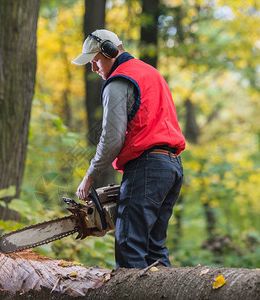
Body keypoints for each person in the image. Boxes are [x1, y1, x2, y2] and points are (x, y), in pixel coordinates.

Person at [72, 29, 186, 269]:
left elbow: (112, 138)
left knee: (129, 245)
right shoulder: (150, 73)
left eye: (95, 61)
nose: (93, 69)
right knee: (154, 247)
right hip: (172, 167)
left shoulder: (119, 81)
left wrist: (90, 175)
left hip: (147, 167)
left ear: (109, 52)